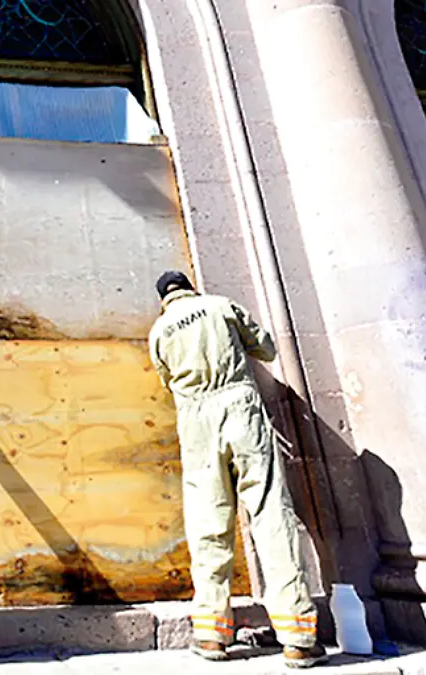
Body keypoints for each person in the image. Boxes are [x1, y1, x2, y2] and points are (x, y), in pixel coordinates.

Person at [147, 271, 328, 669]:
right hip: (239, 407)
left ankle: (211, 634)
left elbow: (166, 380)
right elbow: (264, 348)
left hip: (195, 418)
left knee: (207, 522)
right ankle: (298, 637)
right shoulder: (219, 305)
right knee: (269, 514)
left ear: (163, 297)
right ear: (188, 286)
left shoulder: (159, 331)